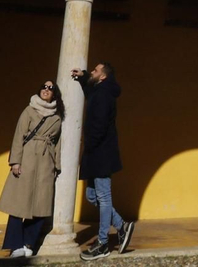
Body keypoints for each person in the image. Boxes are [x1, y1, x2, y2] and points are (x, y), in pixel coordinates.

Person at [0, 78, 64, 261]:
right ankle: (15, 244)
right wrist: (15, 162)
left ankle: (28, 243)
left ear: (54, 93)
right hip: (26, 159)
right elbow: (19, 136)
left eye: (50, 88)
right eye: (44, 86)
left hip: (45, 164)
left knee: (41, 207)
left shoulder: (57, 117)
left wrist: (56, 166)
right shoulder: (29, 110)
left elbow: (57, 143)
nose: (46, 89)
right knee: (19, 205)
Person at [73, 62, 134, 259]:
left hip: (100, 154)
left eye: (95, 70)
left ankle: (102, 244)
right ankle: (121, 226)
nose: (92, 71)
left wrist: (89, 145)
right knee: (93, 196)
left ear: (103, 76)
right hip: (95, 153)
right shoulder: (99, 90)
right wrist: (83, 76)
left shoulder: (104, 94)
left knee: (104, 197)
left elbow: (98, 125)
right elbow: (90, 90)